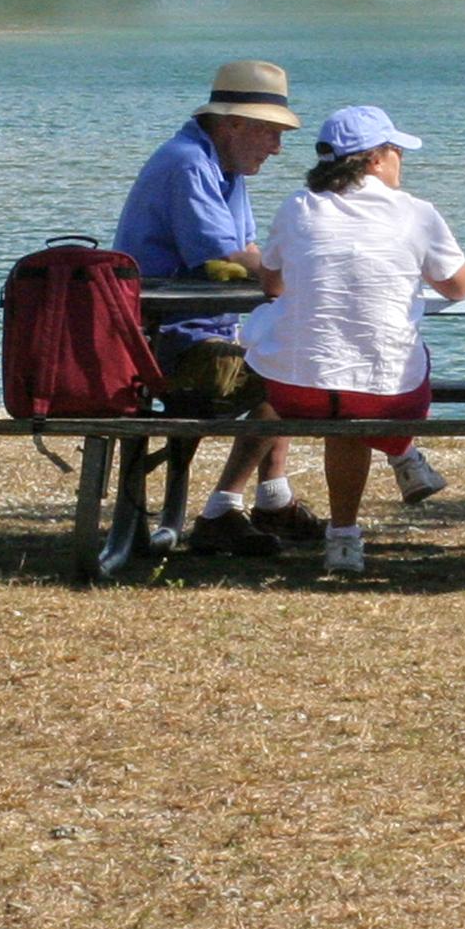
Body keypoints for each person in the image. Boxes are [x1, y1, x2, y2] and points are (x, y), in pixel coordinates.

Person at [246, 106, 465, 578]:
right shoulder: (416, 213)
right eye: (396, 152)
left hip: (293, 392)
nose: (401, 162)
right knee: (379, 374)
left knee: (339, 385)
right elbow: (458, 286)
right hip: (386, 397)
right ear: (374, 159)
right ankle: (402, 455)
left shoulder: (296, 207)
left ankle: (348, 533)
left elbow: (272, 284)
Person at [112, 58, 318, 556]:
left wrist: (281, 273)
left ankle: (271, 499)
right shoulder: (188, 163)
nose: (276, 147)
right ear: (232, 124)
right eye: (270, 133)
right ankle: (222, 510)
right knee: (293, 370)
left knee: (293, 354)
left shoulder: (221, 166)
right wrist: (306, 276)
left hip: (200, 331)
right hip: (166, 345)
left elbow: (246, 254)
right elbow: (228, 254)